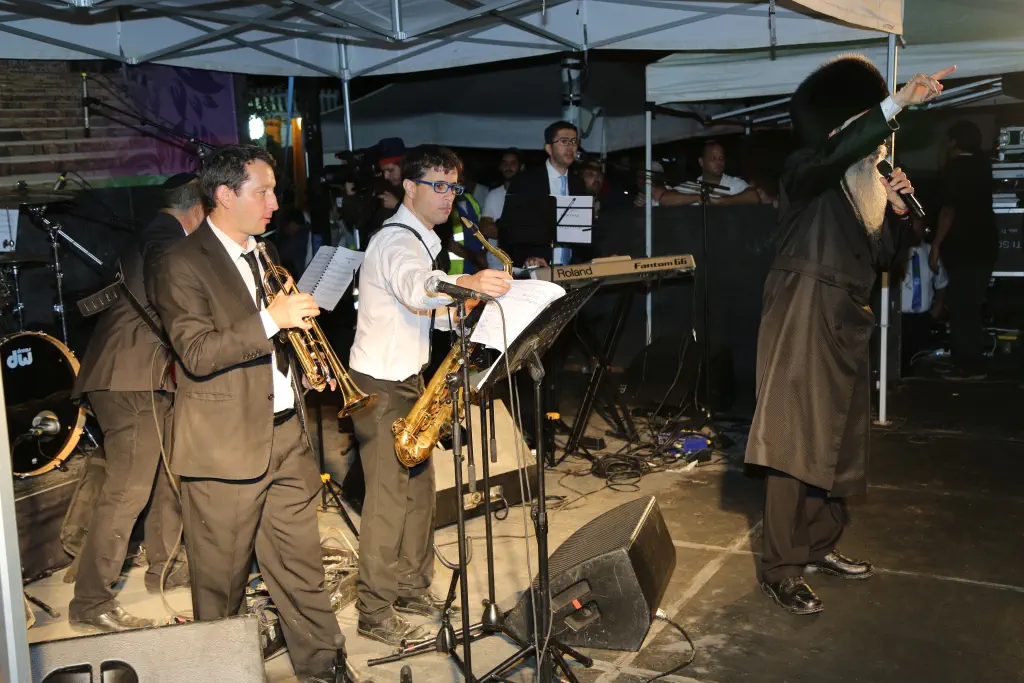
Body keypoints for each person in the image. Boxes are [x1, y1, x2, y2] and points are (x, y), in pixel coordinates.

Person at [745, 56, 955, 615]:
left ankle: (818, 545)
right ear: (842, 128)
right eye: (869, 128)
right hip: (802, 309)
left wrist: (896, 211)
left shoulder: (866, 188)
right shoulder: (806, 170)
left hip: (847, 316)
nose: (880, 144)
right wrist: (895, 104)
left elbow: (884, 259)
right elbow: (835, 154)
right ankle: (781, 568)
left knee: (839, 438)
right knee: (792, 441)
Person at [150, 144, 358, 683]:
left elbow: (271, 345)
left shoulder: (264, 254)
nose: (274, 203)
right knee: (221, 585)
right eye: (262, 192)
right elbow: (197, 353)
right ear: (224, 195)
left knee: (301, 570)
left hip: (286, 436)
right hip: (223, 448)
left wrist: (302, 370)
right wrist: (272, 319)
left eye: (273, 191)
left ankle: (325, 667)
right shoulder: (180, 262)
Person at [347, 144, 511, 646]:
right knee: (387, 502)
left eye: (453, 186)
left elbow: (420, 308)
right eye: (437, 185)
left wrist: (456, 310)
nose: (448, 196)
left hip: (410, 379)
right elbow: (416, 287)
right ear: (409, 188)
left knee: (419, 494)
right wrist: (466, 283)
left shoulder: (423, 238)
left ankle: (410, 586)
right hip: (382, 385)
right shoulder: (396, 240)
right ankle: (374, 611)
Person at [67, 173, 203, 632]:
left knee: (166, 474)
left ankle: (163, 567)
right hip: (129, 379)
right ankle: (91, 601)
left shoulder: (156, 235)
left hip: (141, 377)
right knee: (127, 490)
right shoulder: (166, 240)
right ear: (198, 209)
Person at [932, 120, 997, 380]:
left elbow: (948, 210)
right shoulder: (983, 167)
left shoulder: (954, 169)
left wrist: (936, 245)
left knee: (961, 307)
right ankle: (970, 360)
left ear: (954, 142)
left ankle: (968, 364)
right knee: (970, 306)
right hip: (985, 245)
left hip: (963, 247)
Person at [504, 120, 587, 267]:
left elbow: (582, 233)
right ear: (549, 148)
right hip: (537, 267)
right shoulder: (525, 181)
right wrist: (527, 258)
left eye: (574, 142)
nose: (570, 147)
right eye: (564, 141)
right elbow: (508, 230)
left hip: (571, 270)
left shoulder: (578, 184)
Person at [899, 215, 948, 370]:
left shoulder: (930, 252)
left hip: (922, 318)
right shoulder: (896, 253)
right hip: (899, 318)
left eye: (917, 224)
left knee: (919, 360)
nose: (913, 229)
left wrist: (938, 306)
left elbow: (941, 282)